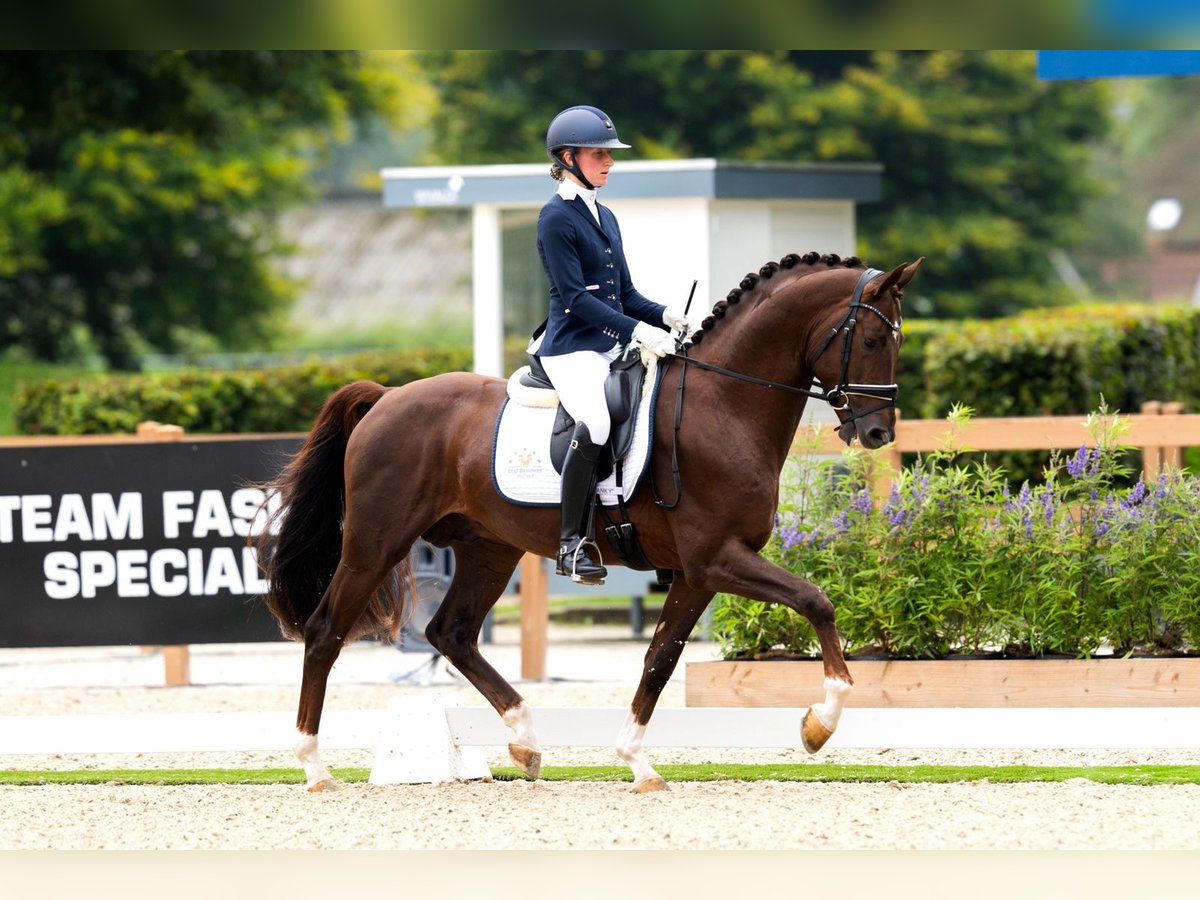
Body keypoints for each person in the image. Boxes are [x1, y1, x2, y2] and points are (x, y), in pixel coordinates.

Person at [532, 105, 686, 585]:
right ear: (569, 157)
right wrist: (638, 332)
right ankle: (572, 544)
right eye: (600, 154)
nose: (609, 162)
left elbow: (626, 295)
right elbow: (576, 299)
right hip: (572, 348)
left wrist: (663, 315)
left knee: (662, 406)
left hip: (608, 344)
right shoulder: (555, 218)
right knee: (595, 419)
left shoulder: (605, 215)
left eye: (609, 154)